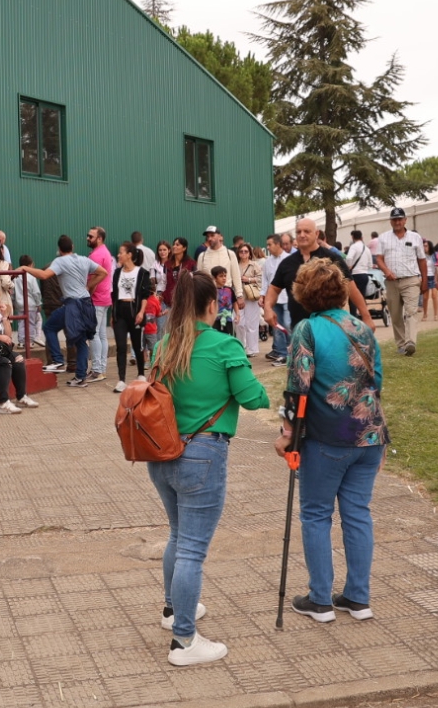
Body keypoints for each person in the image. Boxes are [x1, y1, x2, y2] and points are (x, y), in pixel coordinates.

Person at [147, 271, 271, 666]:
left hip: (161, 454)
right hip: (202, 454)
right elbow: (253, 398)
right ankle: (184, 641)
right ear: (212, 305)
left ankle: (173, 611)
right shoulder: (224, 345)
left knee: (178, 535)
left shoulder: (163, 346)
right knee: (192, 549)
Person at [276, 258, 389, 625]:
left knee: (316, 514)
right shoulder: (363, 328)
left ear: (303, 294)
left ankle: (320, 599)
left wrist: (287, 434)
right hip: (369, 435)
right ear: (341, 291)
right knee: (357, 513)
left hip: (327, 437)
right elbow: (377, 382)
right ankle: (358, 597)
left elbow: (298, 387)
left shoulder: (306, 329)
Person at [20, 236, 104, 388]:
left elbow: (44, 275)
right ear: (72, 246)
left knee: (49, 328)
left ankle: (58, 361)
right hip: (86, 303)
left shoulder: (60, 261)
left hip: (73, 304)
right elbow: (103, 272)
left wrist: (25, 268)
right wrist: (88, 287)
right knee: (81, 341)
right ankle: (80, 377)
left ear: (59, 249)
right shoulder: (84, 260)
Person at [267, 219, 372, 336]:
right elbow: (274, 288)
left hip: (330, 329)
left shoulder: (332, 259)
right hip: (300, 331)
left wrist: (366, 316)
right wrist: (268, 308)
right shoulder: (287, 264)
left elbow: (352, 288)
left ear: (316, 234)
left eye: (307, 231)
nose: (302, 235)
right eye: (299, 232)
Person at [373, 208, 427, 356]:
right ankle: (401, 344)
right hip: (391, 282)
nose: (397, 222)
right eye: (394, 219)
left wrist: (424, 280)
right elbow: (379, 259)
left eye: (400, 219)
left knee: (411, 311)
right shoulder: (383, 238)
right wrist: (387, 271)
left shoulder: (415, 237)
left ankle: (410, 342)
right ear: (390, 221)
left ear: (405, 220)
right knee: (396, 315)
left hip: (411, 279)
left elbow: (422, 260)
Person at [109, 243, 155, 392]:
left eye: (121, 252)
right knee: (121, 346)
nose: (118, 255)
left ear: (129, 255)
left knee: (137, 345)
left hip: (134, 311)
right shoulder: (117, 272)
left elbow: (145, 295)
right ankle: (121, 380)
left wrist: (141, 312)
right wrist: (113, 313)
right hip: (120, 312)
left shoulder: (141, 272)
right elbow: (114, 295)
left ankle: (141, 374)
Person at [85, 227, 115, 383]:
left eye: (91, 236)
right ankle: (101, 369)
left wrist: (87, 292)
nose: (87, 238)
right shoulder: (105, 252)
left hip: (97, 298)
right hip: (105, 298)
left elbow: (95, 278)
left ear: (99, 238)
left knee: (93, 334)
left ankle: (97, 370)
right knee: (102, 335)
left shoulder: (96, 255)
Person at [261, 235, 290, 364]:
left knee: (289, 325)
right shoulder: (267, 262)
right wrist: (262, 296)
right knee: (277, 326)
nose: (268, 247)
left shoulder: (289, 259)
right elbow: (265, 280)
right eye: (267, 244)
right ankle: (282, 353)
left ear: (278, 244)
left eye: (270, 244)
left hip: (288, 298)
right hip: (274, 299)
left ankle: (292, 352)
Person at [234, 243, 263, 358]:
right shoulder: (235, 265)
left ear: (250, 253)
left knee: (252, 324)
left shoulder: (254, 265)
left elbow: (261, 279)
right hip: (238, 297)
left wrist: (249, 279)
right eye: (241, 251)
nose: (243, 253)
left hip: (251, 297)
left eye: (246, 251)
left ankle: (252, 349)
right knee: (239, 323)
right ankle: (241, 347)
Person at [11, 254, 43, 349]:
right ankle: (30, 341)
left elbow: (13, 292)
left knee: (21, 323)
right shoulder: (32, 277)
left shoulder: (16, 277)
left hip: (20, 304)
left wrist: (13, 302)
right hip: (31, 305)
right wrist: (38, 303)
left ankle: (21, 342)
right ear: (30, 265)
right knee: (31, 323)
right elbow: (36, 292)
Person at [343, 231, 372, 320]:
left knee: (353, 298)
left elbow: (349, 258)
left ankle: (354, 317)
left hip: (355, 274)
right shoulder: (366, 248)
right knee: (361, 297)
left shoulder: (354, 247)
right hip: (365, 274)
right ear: (362, 237)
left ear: (352, 237)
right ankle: (364, 317)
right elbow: (370, 264)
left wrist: (349, 266)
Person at [162, 238, 193, 309]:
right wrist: (161, 294)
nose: (174, 246)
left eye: (177, 245)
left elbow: (194, 283)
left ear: (184, 248)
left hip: (185, 302)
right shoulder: (167, 264)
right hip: (168, 301)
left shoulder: (191, 264)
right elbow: (163, 282)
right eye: (174, 244)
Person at [209, 267, 237, 336]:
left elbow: (234, 302)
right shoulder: (211, 291)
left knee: (228, 337)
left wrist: (238, 314)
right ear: (214, 278)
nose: (224, 278)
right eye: (221, 276)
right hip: (215, 319)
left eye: (225, 276)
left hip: (228, 319)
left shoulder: (229, 290)